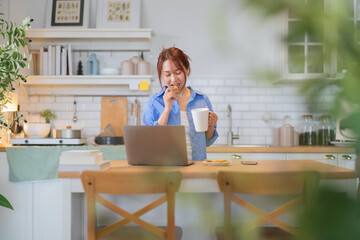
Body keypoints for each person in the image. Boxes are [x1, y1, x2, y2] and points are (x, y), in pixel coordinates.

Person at [143, 47, 218, 161]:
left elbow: (207, 141)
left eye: (178, 72)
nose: (173, 79)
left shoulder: (202, 100)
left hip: (197, 168)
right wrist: (167, 109)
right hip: (166, 170)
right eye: (167, 74)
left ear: (187, 70)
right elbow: (149, 142)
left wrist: (211, 127)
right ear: (162, 75)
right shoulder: (154, 102)